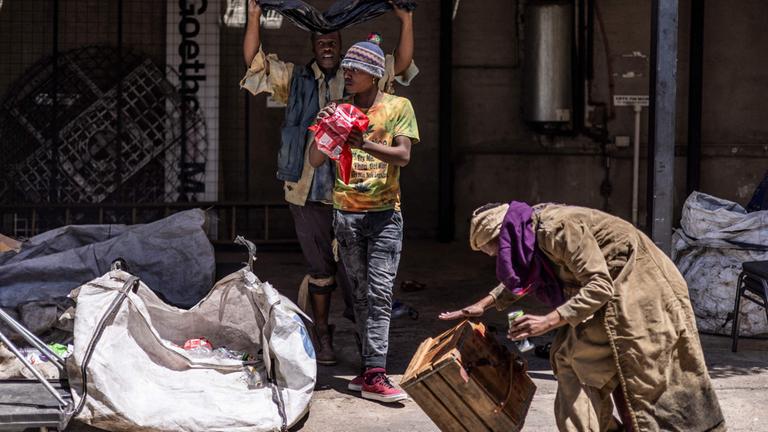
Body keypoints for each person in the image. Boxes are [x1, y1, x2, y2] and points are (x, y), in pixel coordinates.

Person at [439, 202, 726, 431]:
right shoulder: (528, 230)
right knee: (569, 357)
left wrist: (548, 320)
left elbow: (600, 285)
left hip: (640, 282)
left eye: (493, 252)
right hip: (611, 286)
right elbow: (525, 273)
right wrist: (484, 304)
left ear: (505, 239)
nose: (494, 259)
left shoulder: (555, 229)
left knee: (618, 365)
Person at [240, 0, 417, 366]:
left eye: (333, 41)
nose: (326, 46)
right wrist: (255, 15)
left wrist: (406, 19)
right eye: (320, 41)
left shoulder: (358, 79)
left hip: (353, 196)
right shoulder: (295, 79)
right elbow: (254, 64)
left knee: (360, 276)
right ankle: (323, 335)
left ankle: (366, 341)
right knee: (321, 271)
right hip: (307, 192)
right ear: (312, 46)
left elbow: (398, 66)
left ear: (341, 46)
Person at [308, 35, 419, 403]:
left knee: (381, 293)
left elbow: (402, 156)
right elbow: (314, 161)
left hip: (386, 216)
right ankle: (368, 370)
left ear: (373, 74)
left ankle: (374, 372)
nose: (347, 73)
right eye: (347, 69)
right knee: (360, 296)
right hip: (347, 218)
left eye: (355, 69)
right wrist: (324, 128)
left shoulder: (398, 106)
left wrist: (362, 143)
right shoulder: (340, 108)